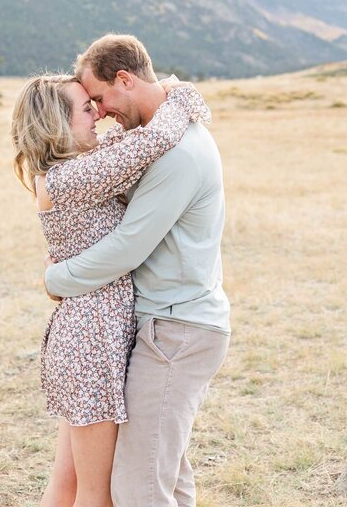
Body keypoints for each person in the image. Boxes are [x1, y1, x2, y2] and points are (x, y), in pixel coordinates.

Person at [44, 34, 231, 507]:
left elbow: (128, 246)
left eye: (101, 98)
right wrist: (179, 94)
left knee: (138, 489)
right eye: (90, 105)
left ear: (125, 79)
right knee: (164, 475)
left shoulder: (179, 153)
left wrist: (55, 279)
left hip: (175, 329)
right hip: (162, 324)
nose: (101, 112)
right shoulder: (152, 138)